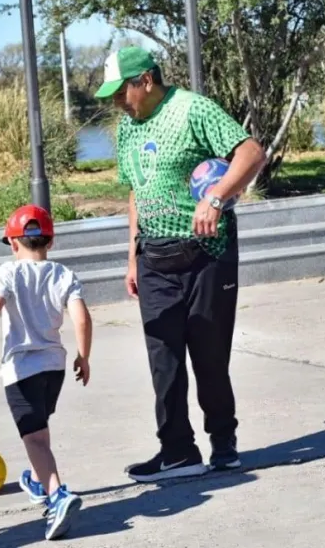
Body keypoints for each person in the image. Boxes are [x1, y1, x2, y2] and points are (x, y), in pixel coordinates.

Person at [93, 47, 266, 483]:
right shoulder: (127, 130)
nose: (117, 102)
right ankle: (177, 451)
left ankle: (223, 443)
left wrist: (216, 197)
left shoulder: (193, 109)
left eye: (122, 92)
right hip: (153, 257)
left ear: (146, 80)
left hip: (208, 254)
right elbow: (136, 192)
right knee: (163, 359)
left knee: (209, 355)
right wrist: (131, 257)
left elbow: (251, 152)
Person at [0, 204, 92, 541]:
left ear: (12, 243)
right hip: (55, 367)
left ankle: (58, 496)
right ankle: (39, 481)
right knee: (40, 430)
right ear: (50, 242)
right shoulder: (64, 274)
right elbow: (81, 318)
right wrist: (84, 356)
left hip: (21, 370)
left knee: (34, 437)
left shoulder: (8, 273)